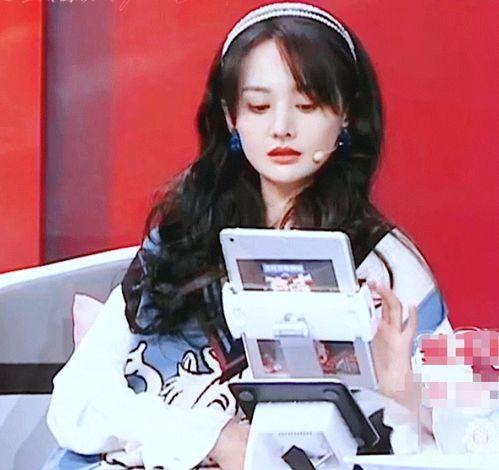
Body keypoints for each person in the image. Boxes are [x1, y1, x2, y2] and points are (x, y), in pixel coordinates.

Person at [46, 3, 451, 469]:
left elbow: (470, 428)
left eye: (307, 105)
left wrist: (404, 389)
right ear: (230, 117)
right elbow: (76, 399)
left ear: (346, 114)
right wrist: (211, 438)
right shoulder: (181, 240)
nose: (281, 128)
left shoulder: (387, 266)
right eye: (259, 106)